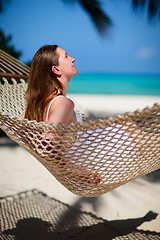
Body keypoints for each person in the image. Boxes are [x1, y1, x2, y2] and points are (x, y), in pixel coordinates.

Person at [21, 44, 81, 124]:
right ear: (56, 69)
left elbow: (14, 128)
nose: (73, 59)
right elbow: (49, 136)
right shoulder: (64, 103)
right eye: (66, 56)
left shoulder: (36, 108)